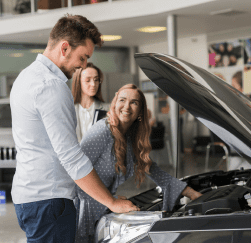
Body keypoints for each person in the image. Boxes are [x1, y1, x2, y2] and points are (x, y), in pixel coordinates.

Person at [10, 14, 138, 243]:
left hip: (28, 197)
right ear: (65, 48)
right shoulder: (52, 86)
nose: (84, 65)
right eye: (83, 57)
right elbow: (71, 157)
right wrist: (111, 202)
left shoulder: (25, 77)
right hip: (49, 202)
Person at [75, 84, 202, 242]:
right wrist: (110, 200)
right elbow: (76, 171)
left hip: (101, 206)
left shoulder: (130, 137)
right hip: (80, 210)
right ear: (115, 103)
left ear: (140, 112)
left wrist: (190, 192)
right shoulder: (102, 131)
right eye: (122, 100)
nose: (127, 106)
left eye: (134, 102)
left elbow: (153, 170)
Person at [72, 62, 110, 142]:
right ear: (78, 82)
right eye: (88, 80)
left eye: (96, 80)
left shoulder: (108, 110)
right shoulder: (69, 110)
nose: (93, 84)